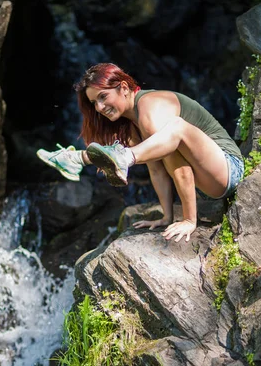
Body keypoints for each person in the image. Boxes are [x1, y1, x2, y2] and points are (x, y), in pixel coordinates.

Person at [37, 63, 244, 242]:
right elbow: (157, 170)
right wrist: (166, 217)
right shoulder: (132, 124)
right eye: (94, 103)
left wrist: (189, 220)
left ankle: (108, 157)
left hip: (229, 169)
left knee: (177, 128)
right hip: (209, 183)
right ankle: (87, 158)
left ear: (124, 87)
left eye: (103, 97)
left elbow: (180, 168)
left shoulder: (150, 107)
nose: (99, 107)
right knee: (160, 147)